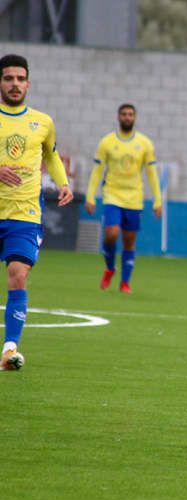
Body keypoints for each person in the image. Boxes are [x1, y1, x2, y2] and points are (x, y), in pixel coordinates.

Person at [0, 54, 73, 370]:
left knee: (18, 274)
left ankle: (9, 349)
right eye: (8, 78)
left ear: (28, 83)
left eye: (20, 79)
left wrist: (64, 183)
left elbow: (52, 156)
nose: (15, 84)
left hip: (25, 214)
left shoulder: (43, 122)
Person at [85, 104, 162, 294]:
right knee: (111, 233)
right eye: (124, 114)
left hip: (135, 198)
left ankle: (125, 282)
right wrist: (90, 196)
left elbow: (152, 174)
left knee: (129, 240)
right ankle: (110, 267)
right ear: (118, 117)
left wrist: (158, 200)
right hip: (112, 195)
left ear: (134, 118)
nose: (127, 117)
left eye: (130, 114)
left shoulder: (145, 143)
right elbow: (97, 171)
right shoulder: (107, 142)